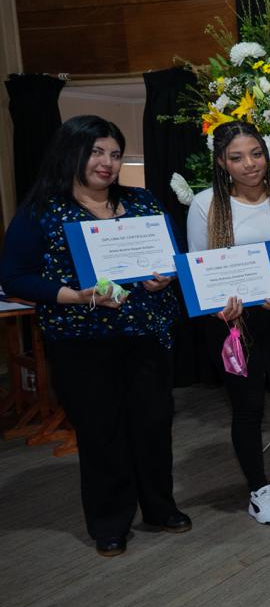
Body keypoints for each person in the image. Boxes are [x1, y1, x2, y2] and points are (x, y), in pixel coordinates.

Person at [0, 115, 189, 557]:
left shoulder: (142, 202)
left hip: (146, 336)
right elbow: (15, 277)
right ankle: (110, 521)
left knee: (153, 425)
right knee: (101, 432)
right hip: (80, 342)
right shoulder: (42, 212)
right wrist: (74, 296)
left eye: (115, 154)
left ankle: (160, 507)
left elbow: (174, 256)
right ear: (71, 153)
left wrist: (166, 276)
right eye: (96, 152)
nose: (107, 162)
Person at [187, 121, 270, 525]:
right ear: (222, 162)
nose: (250, 164)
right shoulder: (206, 204)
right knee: (248, 408)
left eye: (256, 154)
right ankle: (258, 490)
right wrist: (220, 306)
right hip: (232, 324)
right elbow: (200, 269)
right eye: (237, 157)